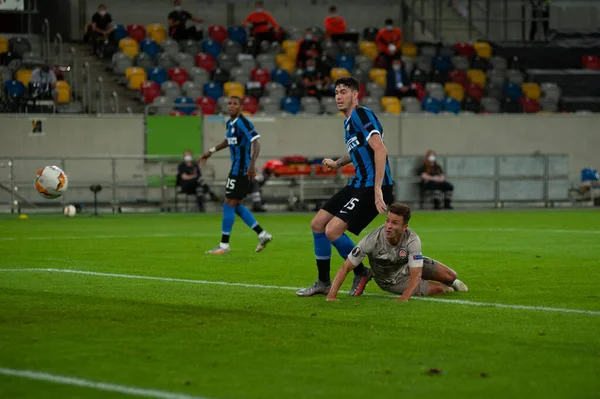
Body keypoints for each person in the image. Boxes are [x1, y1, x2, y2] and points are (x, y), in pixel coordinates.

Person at [296, 76, 394, 297]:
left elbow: (380, 150)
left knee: (332, 230)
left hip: (372, 186)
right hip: (358, 183)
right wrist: (338, 162)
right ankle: (323, 282)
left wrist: (377, 188)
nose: (338, 97)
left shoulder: (361, 114)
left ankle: (361, 271)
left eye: (343, 92)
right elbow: (358, 149)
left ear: (355, 95)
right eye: (336, 93)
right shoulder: (348, 122)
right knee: (318, 224)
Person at [326, 203, 468, 301]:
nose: (388, 226)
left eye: (394, 223)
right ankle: (443, 287)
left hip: (409, 265)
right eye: (387, 221)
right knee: (440, 290)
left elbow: (416, 274)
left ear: (404, 227)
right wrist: (331, 296)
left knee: (451, 276)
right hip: (392, 279)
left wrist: (404, 298)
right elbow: (346, 267)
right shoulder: (373, 239)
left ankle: (451, 283)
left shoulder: (412, 239)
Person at [199, 96, 273, 254]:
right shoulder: (230, 123)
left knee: (228, 203)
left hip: (241, 170)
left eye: (235, 104)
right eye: (229, 104)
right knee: (236, 205)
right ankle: (262, 234)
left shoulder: (243, 122)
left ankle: (224, 245)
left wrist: (252, 164)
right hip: (236, 169)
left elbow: (256, 141)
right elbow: (227, 141)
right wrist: (210, 152)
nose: (231, 106)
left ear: (240, 106)